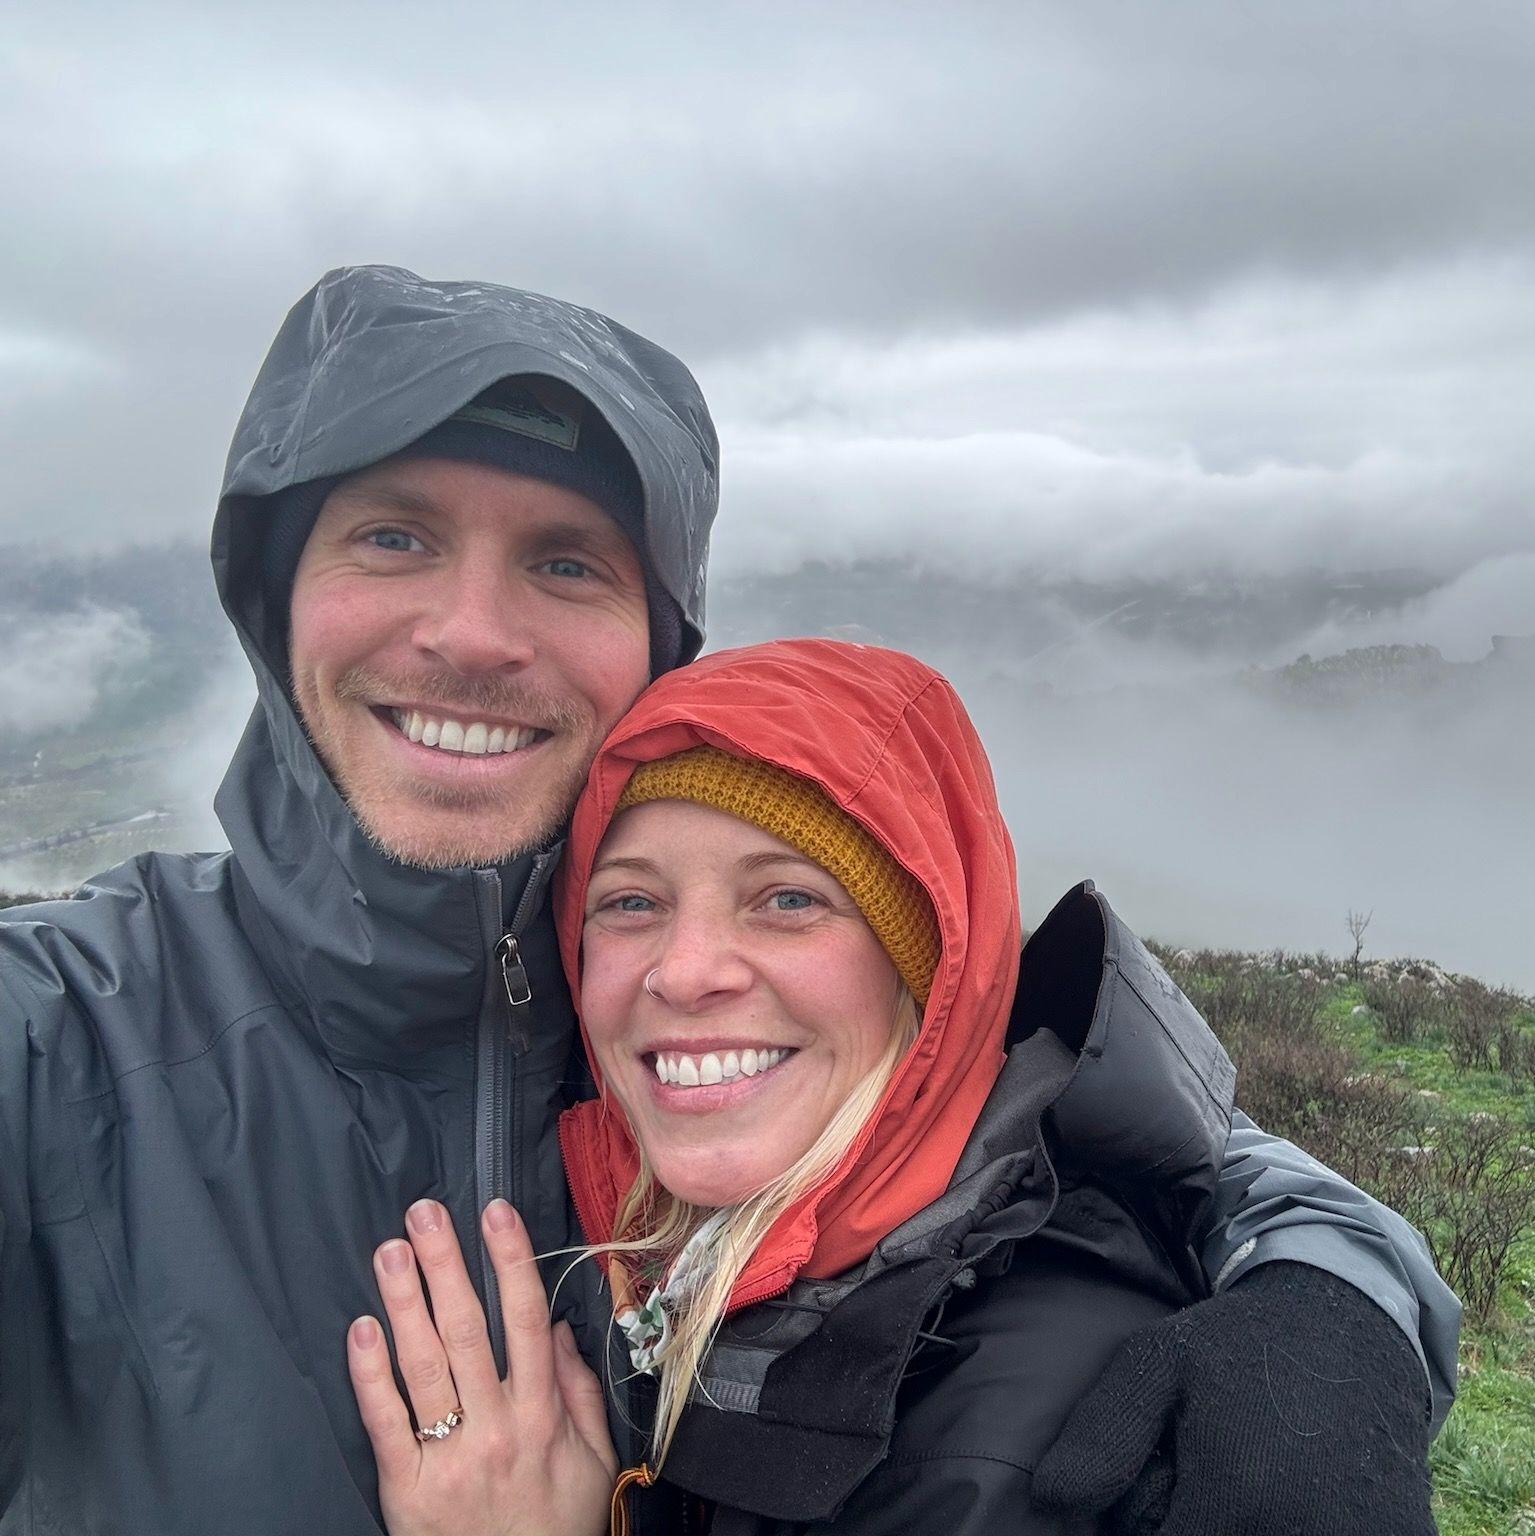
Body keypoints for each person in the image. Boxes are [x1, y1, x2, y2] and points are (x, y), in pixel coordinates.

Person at [0, 266, 1457, 1535]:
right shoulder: (57, 1042)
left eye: (565, 561)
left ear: (657, 649)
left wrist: (1331, 1296)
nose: (470, 632)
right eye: (393, 536)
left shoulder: (687, 1030)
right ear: (270, 598)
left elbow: (1079, 1113)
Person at [343, 638, 1450, 1535]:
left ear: (932, 980)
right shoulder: (722, 1246)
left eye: (787, 900)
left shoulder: (1005, 1435)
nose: (683, 972)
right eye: (629, 902)